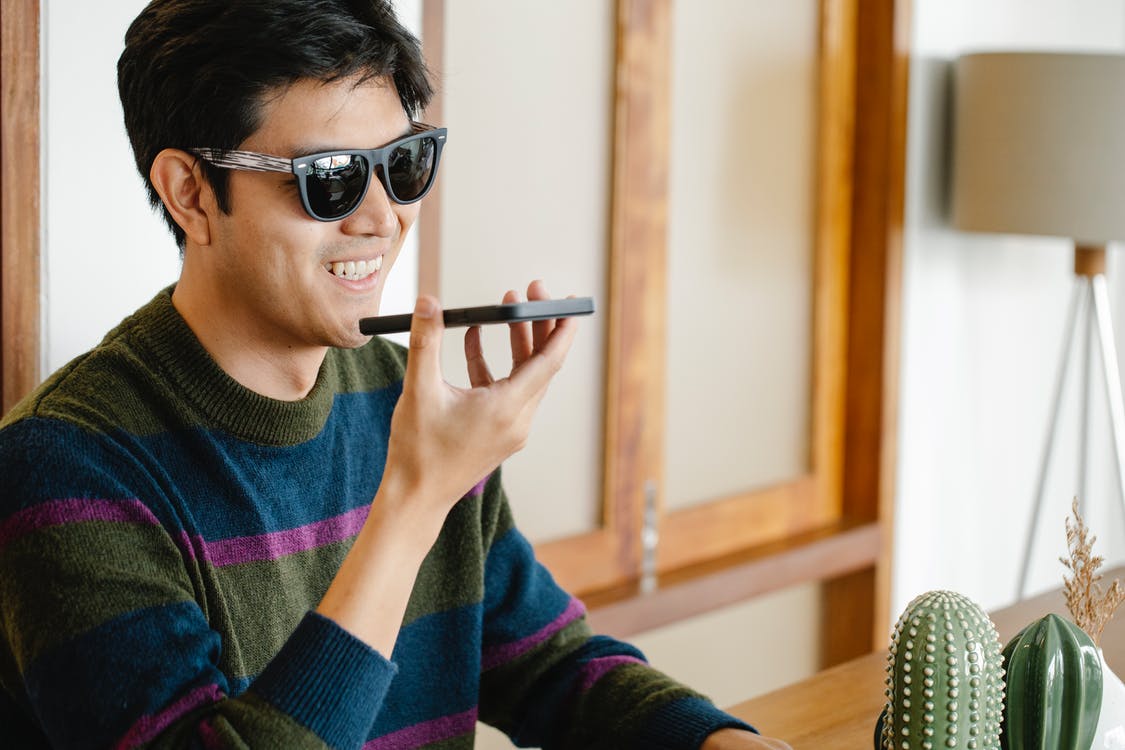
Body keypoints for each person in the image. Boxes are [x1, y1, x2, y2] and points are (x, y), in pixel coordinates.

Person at [0, 2, 791, 748]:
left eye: (404, 164)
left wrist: (717, 738)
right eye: (332, 177)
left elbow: (545, 663)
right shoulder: (62, 465)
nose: (382, 217)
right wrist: (415, 501)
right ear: (191, 192)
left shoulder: (400, 397)